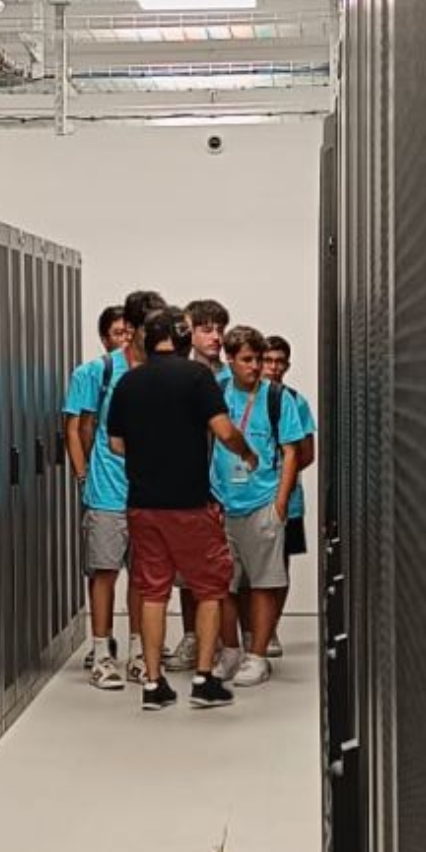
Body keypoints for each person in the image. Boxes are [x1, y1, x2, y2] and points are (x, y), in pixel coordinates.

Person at [108, 307, 256, 711]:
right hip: (190, 505)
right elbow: (224, 431)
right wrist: (248, 451)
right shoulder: (197, 377)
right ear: (181, 337)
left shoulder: (128, 383)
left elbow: (116, 445)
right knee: (209, 589)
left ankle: (154, 685)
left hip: (142, 505)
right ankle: (204, 680)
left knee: (153, 591)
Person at [63, 289, 168, 689]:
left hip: (151, 492)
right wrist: (82, 475)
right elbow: (79, 425)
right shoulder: (96, 372)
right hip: (108, 490)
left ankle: (140, 653)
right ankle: (103, 654)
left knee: (145, 577)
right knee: (104, 572)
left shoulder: (161, 372)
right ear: (137, 329)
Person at [211, 325, 309, 686]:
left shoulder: (278, 398)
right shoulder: (218, 392)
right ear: (230, 360)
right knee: (223, 584)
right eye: (247, 360)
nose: (255, 367)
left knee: (265, 582)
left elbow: (291, 451)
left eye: (258, 359)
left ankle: (257, 656)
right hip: (222, 503)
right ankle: (231, 650)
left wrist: (280, 504)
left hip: (262, 502)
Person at [165, 297, 235, 672]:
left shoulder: (232, 378)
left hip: (228, 486)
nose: (217, 337)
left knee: (225, 570)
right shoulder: (179, 376)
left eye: (221, 329)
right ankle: (192, 637)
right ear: (188, 333)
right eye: (207, 329)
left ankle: (228, 642)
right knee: (188, 569)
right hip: (189, 485)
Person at [261, 335, 316, 658]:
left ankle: (271, 630)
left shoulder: (296, 401)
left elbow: (306, 453)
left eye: (279, 362)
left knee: (279, 566)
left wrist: (282, 477)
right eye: (267, 360)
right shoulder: (241, 399)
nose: (273, 367)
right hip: (247, 499)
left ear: (288, 365)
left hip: (288, 499)